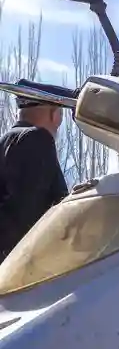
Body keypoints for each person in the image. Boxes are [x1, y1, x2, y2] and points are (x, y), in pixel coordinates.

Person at [0, 96, 67, 263]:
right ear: (55, 116)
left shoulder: (4, 142)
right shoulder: (38, 139)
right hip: (18, 270)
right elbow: (27, 216)